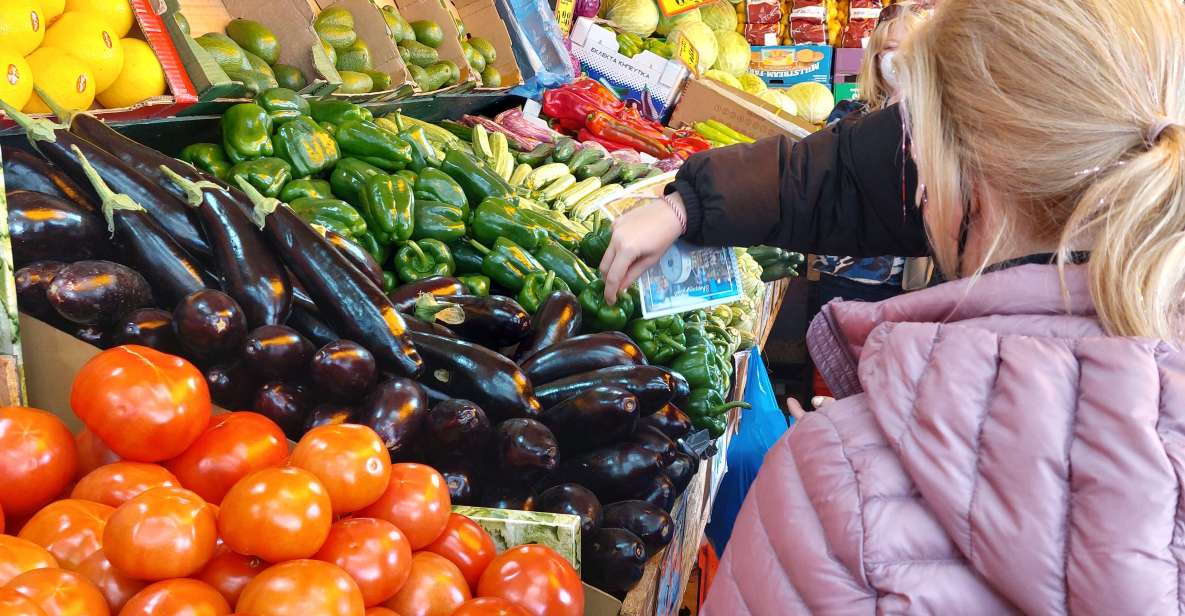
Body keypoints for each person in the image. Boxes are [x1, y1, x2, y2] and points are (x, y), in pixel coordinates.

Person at [603, 0, 1185, 612]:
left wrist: (846, 468)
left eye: (918, 149)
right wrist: (690, 204)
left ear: (953, 184)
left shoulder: (830, 486)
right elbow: (855, 175)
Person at [809, 2, 928, 401]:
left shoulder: (937, 125)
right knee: (831, 386)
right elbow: (829, 182)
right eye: (888, 50)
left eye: (908, 51)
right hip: (842, 280)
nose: (896, 60)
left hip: (902, 288)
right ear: (875, 58)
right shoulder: (848, 116)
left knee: (882, 390)